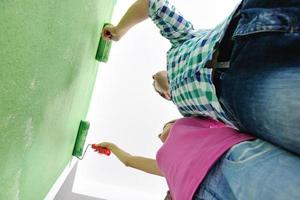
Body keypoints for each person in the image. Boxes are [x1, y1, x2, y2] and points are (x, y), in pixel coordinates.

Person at [102, 0, 300, 155]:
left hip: (243, 26)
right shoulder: (187, 116)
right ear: (166, 95)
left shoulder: (182, 39)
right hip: (242, 97)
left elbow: (153, 3)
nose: (153, 76)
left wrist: (120, 30)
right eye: (154, 84)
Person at [95, 117, 300, 200]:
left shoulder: (191, 121)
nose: (159, 134)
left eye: (163, 127)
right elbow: (131, 161)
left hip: (228, 159)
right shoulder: (164, 164)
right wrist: (112, 147)